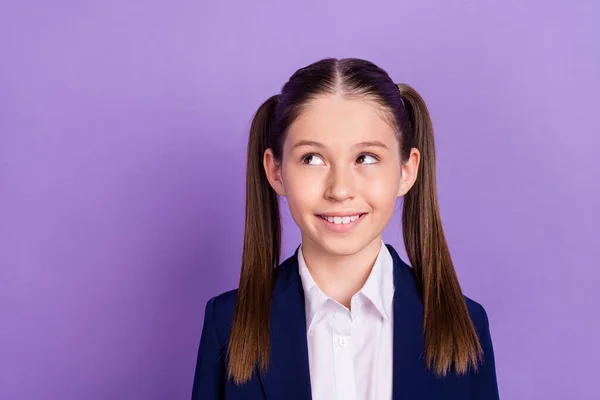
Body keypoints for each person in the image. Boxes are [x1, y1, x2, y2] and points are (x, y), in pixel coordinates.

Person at [192, 58, 500, 400]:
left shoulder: (467, 324)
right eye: (312, 158)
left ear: (407, 171)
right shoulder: (227, 325)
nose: (339, 190)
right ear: (276, 171)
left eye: (366, 158)